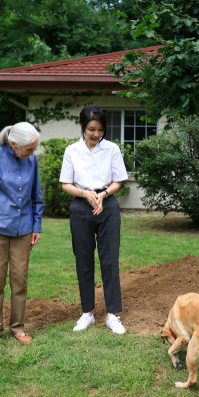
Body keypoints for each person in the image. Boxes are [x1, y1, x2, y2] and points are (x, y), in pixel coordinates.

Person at [0, 122, 44, 351]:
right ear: (14, 145)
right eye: (30, 149)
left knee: (20, 280)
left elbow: (36, 196)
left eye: (34, 149)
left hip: (23, 229)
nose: (33, 154)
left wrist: (36, 226)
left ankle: (18, 327)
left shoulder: (31, 159)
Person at [60, 105, 128, 335]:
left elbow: (118, 180)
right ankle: (87, 313)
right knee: (84, 260)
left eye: (100, 130)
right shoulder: (72, 151)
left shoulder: (112, 149)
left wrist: (103, 194)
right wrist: (85, 194)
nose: (96, 134)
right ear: (82, 127)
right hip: (80, 206)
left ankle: (113, 315)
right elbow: (66, 184)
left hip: (107, 205)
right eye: (91, 129)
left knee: (110, 260)